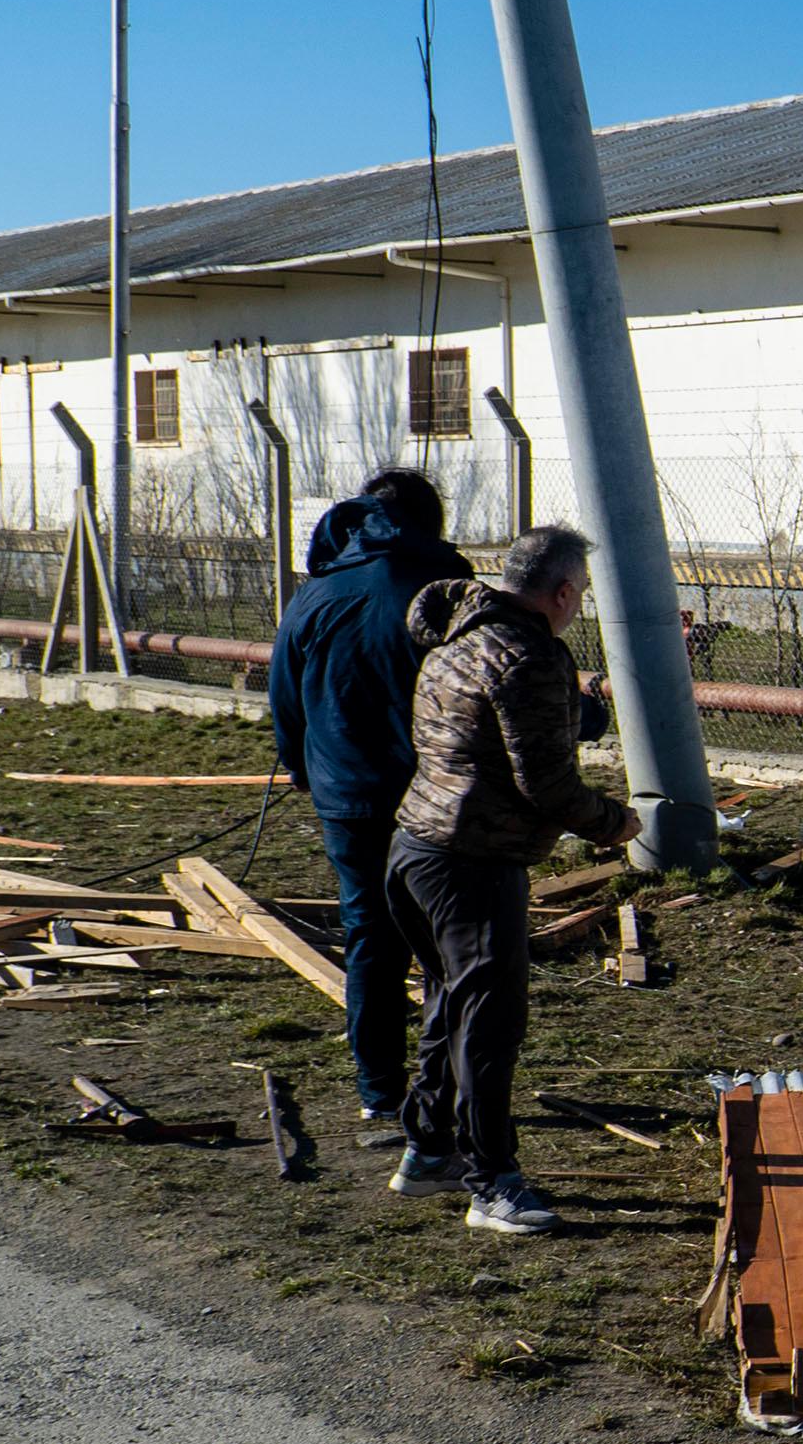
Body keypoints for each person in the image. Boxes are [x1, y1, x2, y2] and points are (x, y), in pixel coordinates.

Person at [385, 524, 638, 1235]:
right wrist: (614, 824)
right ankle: (491, 1180)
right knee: (491, 1025)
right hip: (474, 862)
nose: (578, 607)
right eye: (580, 595)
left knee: (447, 1005)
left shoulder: (455, 641)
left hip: (415, 849)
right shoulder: (526, 656)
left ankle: (428, 1148)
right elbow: (547, 785)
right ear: (561, 592)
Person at [264, 468, 470, 1148]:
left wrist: (300, 764)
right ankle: (458, 1091)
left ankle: (380, 1098)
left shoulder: (315, 591)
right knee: (454, 943)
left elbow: (284, 696)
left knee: (371, 941)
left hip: (345, 798)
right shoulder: (441, 591)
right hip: (435, 799)